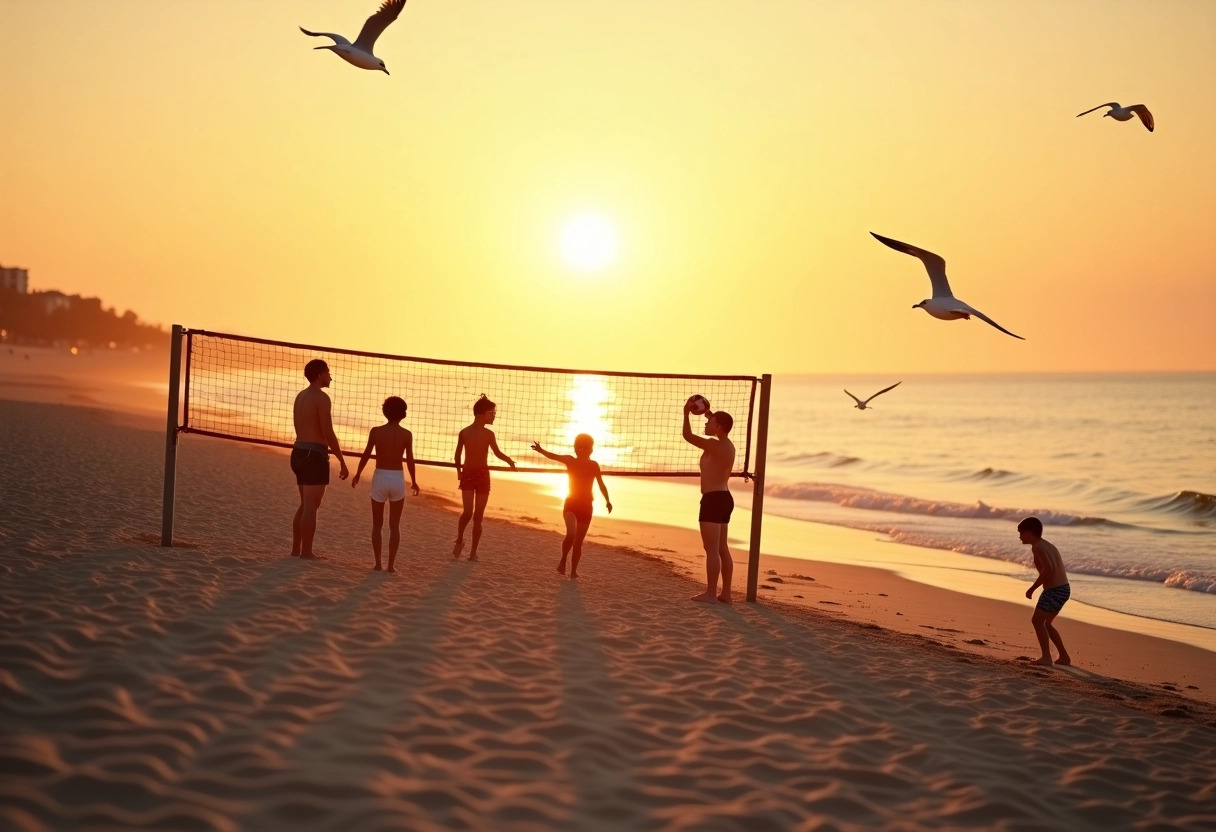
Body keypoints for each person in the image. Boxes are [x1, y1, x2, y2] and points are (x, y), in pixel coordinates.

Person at [352, 396, 420, 573]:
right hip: (397, 478)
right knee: (394, 525)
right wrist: (414, 481)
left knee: (377, 524)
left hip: (380, 476)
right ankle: (391, 565)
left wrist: (358, 473)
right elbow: (410, 460)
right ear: (403, 414)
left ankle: (377, 563)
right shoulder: (406, 434)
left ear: (384, 412)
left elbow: (366, 454)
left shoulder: (376, 431)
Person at [531, 435, 613, 579]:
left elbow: (601, 484)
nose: (584, 450)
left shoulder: (594, 465)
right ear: (576, 448)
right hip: (571, 503)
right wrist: (540, 450)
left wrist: (607, 500)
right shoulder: (570, 460)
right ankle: (563, 560)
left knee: (578, 543)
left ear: (591, 449)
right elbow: (553, 456)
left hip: (587, 506)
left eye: (587, 448)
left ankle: (573, 571)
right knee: (571, 533)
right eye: (581, 447)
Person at [290, 359, 348, 559]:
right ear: (320, 374)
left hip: (298, 452)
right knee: (311, 506)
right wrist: (341, 459)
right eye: (329, 372)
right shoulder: (321, 398)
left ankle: (296, 550)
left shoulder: (301, 396)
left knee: (305, 505)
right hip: (313, 455)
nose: (331, 376)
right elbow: (328, 431)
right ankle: (306, 552)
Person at [682, 399, 736, 603]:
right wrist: (710, 414)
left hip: (712, 500)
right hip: (725, 498)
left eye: (710, 422)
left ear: (718, 426)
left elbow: (687, 436)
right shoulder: (728, 445)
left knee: (711, 549)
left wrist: (686, 413)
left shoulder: (713, 445)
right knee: (722, 548)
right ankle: (727, 594)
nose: (705, 424)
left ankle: (711, 594)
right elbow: (715, 426)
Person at [453, 395, 515, 561]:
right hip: (467, 474)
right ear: (481, 414)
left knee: (478, 516)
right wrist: (459, 473)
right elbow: (457, 454)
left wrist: (509, 460)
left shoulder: (489, 434)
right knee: (467, 512)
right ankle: (459, 538)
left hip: (482, 474)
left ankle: (473, 552)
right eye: (492, 413)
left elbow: (497, 452)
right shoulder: (464, 432)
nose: (494, 415)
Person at [1019, 516, 1072, 667]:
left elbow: (1048, 569)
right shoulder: (1047, 545)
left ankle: (1046, 658)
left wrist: (1032, 588)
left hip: (1054, 590)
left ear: (1029, 532)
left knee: (1037, 621)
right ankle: (1064, 656)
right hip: (1064, 589)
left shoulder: (1038, 547)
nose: (1019, 536)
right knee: (1047, 623)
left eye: (1021, 533)